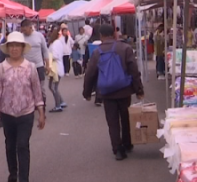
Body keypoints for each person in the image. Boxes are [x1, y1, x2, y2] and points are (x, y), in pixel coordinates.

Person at [0, 31, 46, 182]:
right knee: (10, 144)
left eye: (17, 46)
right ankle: (13, 171)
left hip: (26, 112)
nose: (14, 49)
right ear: (8, 48)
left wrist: (41, 112)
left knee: (22, 145)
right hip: (7, 113)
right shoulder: (1, 68)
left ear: (22, 48)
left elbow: (37, 91)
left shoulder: (30, 67)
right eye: (11, 46)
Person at [82, 24, 144, 161]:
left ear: (101, 36)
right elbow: (134, 70)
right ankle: (128, 143)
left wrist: (87, 92)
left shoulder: (97, 52)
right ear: (114, 34)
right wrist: (138, 89)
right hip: (124, 90)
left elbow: (90, 73)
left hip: (107, 92)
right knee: (125, 117)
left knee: (112, 121)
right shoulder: (125, 48)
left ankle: (118, 150)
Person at [19, 19, 50, 98]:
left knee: (40, 87)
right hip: (26, 67)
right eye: (22, 30)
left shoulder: (39, 36)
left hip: (39, 66)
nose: (24, 32)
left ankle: (42, 105)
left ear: (30, 27)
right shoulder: (21, 37)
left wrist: (47, 65)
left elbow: (45, 51)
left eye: (25, 30)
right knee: (27, 87)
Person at [46, 28, 67, 112]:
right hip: (57, 67)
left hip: (55, 67)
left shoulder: (54, 44)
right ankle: (61, 102)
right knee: (54, 87)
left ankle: (58, 105)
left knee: (52, 87)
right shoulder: (58, 42)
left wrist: (48, 58)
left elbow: (55, 55)